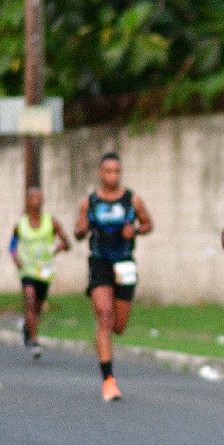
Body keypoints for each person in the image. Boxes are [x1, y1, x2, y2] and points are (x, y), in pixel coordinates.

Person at [73, 152, 152, 401]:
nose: (113, 176)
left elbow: (148, 224)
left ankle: (103, 336)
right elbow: (78, 230)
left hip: (125, 263)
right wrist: (81, 229)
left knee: (118, 326)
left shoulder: (132, 200)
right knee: (105, 316)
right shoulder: (90, 202)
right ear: (100, 173)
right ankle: (108, 380)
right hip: (100, 263)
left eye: (117, 171)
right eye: (108, 171)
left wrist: (135, 230)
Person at [9, 187, 71, 359]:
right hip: (27, 270)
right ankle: (35, 341)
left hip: (44, 271)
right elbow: (12, 246)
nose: (36, 200)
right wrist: (16, 258)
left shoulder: (51, 222)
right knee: (30, 300)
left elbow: (67, 242)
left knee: (37, 305)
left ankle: (27, 327)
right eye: (33, 197)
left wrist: (59, 247)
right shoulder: (20, 225)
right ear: (27, 201)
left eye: (39, 197)